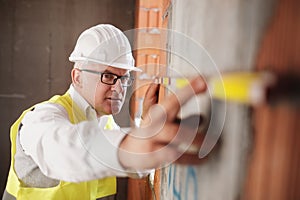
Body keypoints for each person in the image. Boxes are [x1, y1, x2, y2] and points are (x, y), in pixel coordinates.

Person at [2, 24, 207, 200]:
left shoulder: (106, 124)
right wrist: (131, 144)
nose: (119, 89)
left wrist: (147, 126)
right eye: (108, 77)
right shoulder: (41, 119)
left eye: (125, 78)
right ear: (77, 77)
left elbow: (136, 166)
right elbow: (59, 148)